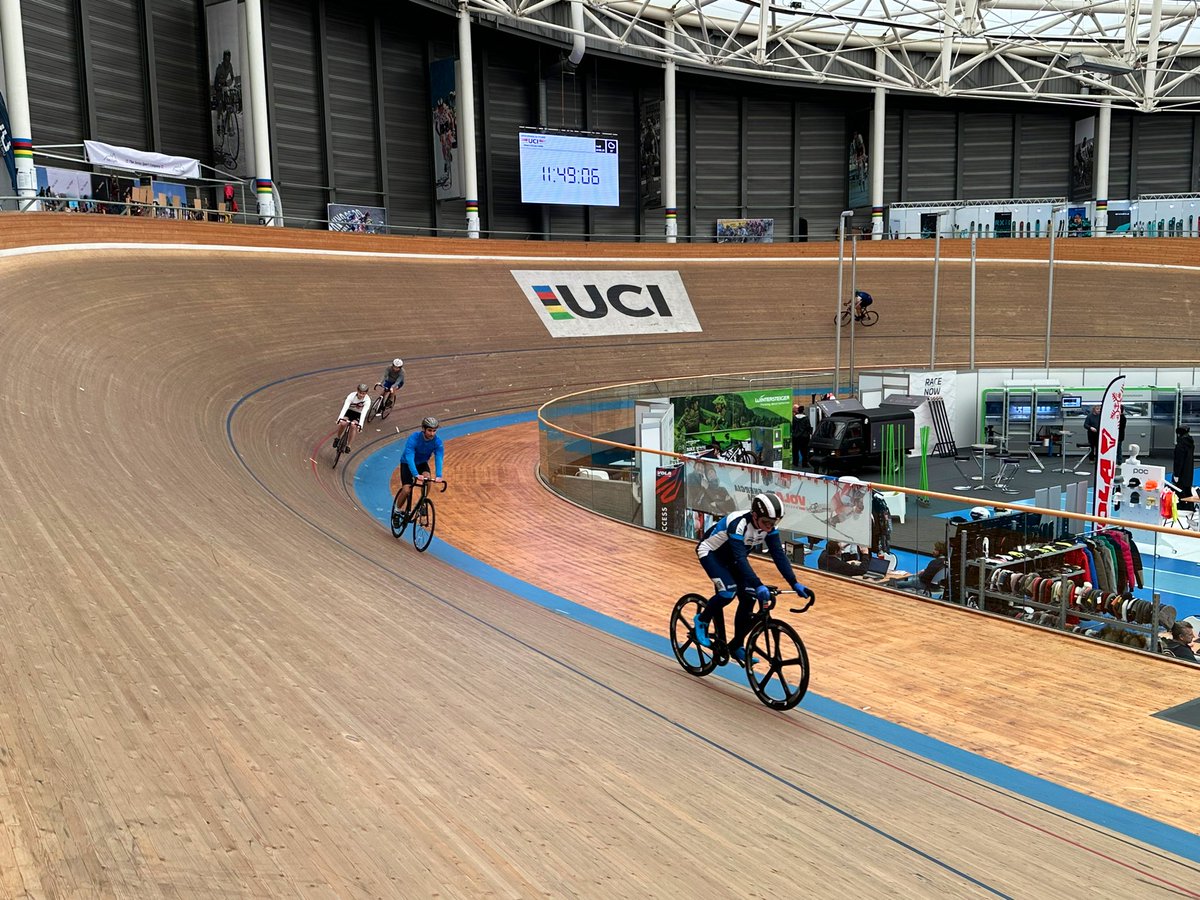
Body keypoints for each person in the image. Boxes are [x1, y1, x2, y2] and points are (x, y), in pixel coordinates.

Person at [692, 493, 813, 666]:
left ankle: (736, 645)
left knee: (748, 598)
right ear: (754, 515)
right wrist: (757, 584)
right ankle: (702, 620)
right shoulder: (738, 524)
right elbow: (741, 559)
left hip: (732, 559)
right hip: (711, 554)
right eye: (766, 523)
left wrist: (794, 582)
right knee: (727, 593)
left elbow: (779, 555)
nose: (770, 528)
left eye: (775, 523)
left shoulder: (768, 527)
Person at [392, 416, 446, 520]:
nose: (432, 434)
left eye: (434, 431)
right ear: (424, 429)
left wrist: (439, 475)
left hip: (421, 463)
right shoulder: (414, 438)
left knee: (428, 479)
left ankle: (422, 502)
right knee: (407, 489)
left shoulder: (437, 442)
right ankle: (397, 510)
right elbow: (409, 456)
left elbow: (439, 458)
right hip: (407, 463)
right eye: (429, 430)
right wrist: (415, 474)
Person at [334, 383, 372, 452]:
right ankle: (338, 438)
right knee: (343, 423)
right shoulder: (351, 396)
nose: (361, 395)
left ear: (366, 393)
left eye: (363, 393)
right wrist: (339, 418)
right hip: (349, 411)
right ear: (357, 391)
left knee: (353, 426)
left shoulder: (367, 401)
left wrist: (360, 425)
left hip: (358, 414)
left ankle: (349, 445)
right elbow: (345, 407)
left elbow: (363, 413)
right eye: (360, 393)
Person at [1173, 426, 1195, 497]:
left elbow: (1179, 461)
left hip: (1181, 473)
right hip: (1189, 472)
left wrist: (1176, 474)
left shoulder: (1181, 445)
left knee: (1179, 492)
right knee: (1187, 490)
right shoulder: (1190, 443)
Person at [791, 404, 812, 470]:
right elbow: (808, 427)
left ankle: (795, 462)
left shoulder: (794, 418)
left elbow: (793, 427)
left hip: (795, 437)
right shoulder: (806, 418)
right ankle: (804, 463)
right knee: (805, 451)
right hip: (804, 437)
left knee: (795, 451)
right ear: (803, 410)